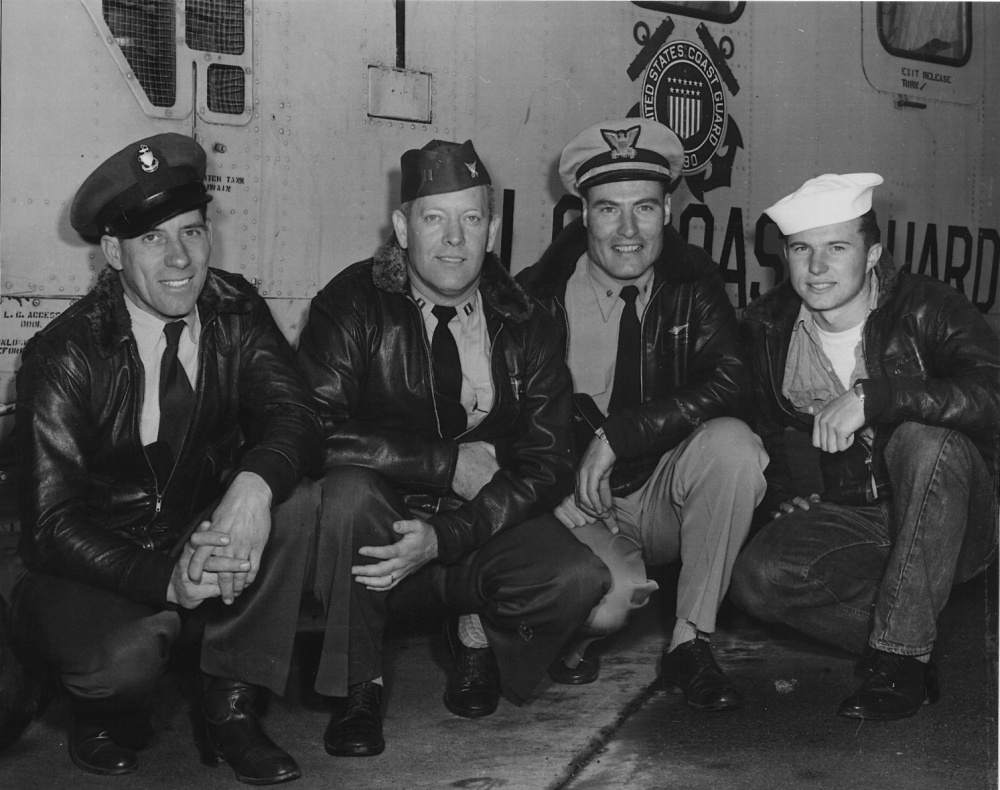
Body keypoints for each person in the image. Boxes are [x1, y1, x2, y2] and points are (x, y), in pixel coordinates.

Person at [3, 133, 322, 783]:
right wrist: (167, 584)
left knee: (299, 499)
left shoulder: (235, 310)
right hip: (85, 563)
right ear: (114, 252)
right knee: (124, 660)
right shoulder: (64, 354)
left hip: (191, 535)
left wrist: (251, 490)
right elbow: (51, 526)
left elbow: (298, 413)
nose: (180, 258)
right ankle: (101, 714)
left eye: (192, 232)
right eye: (153, 239)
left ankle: (229, 709)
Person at [295, 139, 611, 757]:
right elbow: (309, 429)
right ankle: (361, 684)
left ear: (491, 230)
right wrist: (445, 465)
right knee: (349, 492)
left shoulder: (525, 318)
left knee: (577, 579)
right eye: (433, 218)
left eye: (470, 219)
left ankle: (476, 635)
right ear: (401, 227)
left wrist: (447, 535)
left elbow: (548, 462)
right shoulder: (352, 303)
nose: (453, 239)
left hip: (474, 525)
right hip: (376, 525)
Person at [517, 118, 767, 711]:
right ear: (582, 213)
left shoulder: (694, 282)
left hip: (660, 492)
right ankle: (576, 626)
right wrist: (554, 488)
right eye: (608, 209)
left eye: (645, 208)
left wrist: (621, 435)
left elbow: (732, 382)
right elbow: (506, 417)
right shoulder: (536, 295)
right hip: (574, 500)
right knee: (606, 603)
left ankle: (689, 641)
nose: (628, 230)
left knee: (734, 446)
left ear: (668, 211)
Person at [731, 173, 999, 720]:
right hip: (855, 519)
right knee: (758, 578)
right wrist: (781, 496)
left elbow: (992, 394)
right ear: (785, 255)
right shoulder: (767, 328)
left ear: (873, 253)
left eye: (838, 247)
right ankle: (910, 644)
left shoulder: (930, 307)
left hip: (958, 515)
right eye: (802, 249)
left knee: (924, 440)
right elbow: (757, 427)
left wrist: (879, 396)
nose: (818, 267)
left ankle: (900, 656)